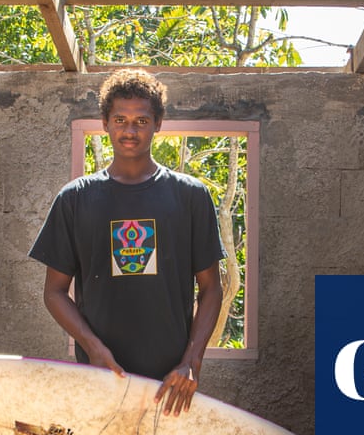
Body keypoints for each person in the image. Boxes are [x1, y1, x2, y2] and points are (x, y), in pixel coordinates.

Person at [28, 69, 226, 417]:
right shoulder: (75, 199)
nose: (130, 130)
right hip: (102, 377)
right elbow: (54, 292)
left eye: (141, 120)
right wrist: (93, 349)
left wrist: (191, 362)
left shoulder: (191, 196)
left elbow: (211, 288)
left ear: (158, 123)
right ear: (105, 123)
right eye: (120, 119)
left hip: (170, 385)